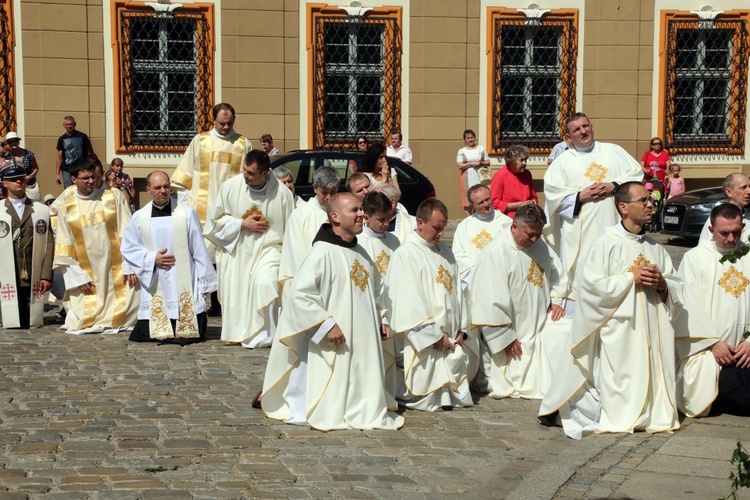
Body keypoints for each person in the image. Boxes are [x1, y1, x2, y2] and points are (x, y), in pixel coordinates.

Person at [539, 182, 681, 439]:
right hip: (620, 331)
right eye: (644, 200)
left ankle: (651, 412)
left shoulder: (655, 247)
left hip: (651, 329)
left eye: (651, 200)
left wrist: (663, 285)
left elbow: (677, 289)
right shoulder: (606, 243)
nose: (651, 205)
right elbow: (590, 289)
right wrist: (629, 280)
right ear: (623, 207)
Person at [262, 192, 404, 430]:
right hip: (335, 339)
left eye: (361, 209)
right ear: (335, 217)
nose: (361, 214)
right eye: (355, 211)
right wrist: (326, 324)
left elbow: (378, 292)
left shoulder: (361, 253)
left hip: (364, 340)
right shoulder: (321, 254)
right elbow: (300, 296)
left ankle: (361, 405)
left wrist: (382, 317)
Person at [470, 204, 568, 400]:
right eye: (529, 234)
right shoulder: (495, 252)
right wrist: (504, 337)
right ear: (514, 226)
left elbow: (557, 272)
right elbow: (488, 299)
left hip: (539, 324)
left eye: (538, 234)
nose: (534, 239)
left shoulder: (540, 245)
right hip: (513, 333)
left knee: (567, 330)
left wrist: (557, 299)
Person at [387, 198, 472, 411]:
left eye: (443, 228)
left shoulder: (446, 251)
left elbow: (457, 294)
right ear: (420, 223)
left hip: (449, 338)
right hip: (425, 343)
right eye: (437, 228)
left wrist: (461, 328)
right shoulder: (405, 255)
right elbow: (407, 302)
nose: (441, 234)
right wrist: (433, 337)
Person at [543, 112, 643, 294]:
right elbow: (552, 199)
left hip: (614, 223)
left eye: (585, 126)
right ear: (569, 137)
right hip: (581, 232)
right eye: (577, 129)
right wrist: (580, 196)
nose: (583, 131)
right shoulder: (562, 162)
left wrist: (614, 185)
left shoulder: (613, 151)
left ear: (592, 127)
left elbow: (636, 175)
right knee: (586, 271)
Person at [204, 150, 295, 348]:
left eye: (251, 173)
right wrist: (240, 224)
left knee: (266, 283)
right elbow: (214, 222)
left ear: (265, 173)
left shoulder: (282, 194)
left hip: (270, 251)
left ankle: (265, 335)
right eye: (245, 170)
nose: (245, 175)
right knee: (237, 293)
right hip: (237, 251)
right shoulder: (230, 187)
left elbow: (291, 230)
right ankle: (240, 333)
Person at [120, 171, 217, 343]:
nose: (163, 190)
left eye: (166, 186)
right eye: (158, 187)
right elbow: (129, 247)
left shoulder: (187, 213)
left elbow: (199, 248)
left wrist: (204, 282)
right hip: (156, 276)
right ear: (148, 189)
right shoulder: (139, 217)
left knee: (189, 331)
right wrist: (151, 259)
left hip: (185, 276)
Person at [676, 203, 750, 417]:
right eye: (724, 233)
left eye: (736, 232)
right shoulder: (695, 258)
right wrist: (713, 343)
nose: (731, 239)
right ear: (711, 230)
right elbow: (687, 306)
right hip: (709, 355)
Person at [51, 157, 139, 334]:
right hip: (85, 270)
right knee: (82, 316)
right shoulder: (66, 205)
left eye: (93, 177)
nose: (91, 181)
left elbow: (128, 231)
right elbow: (64, 243)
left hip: (115, 265)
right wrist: (77, 276)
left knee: (129, 309)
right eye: (85, 178)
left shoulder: (112, 197)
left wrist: (129, 264)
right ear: (74, 179)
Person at [169, 103, 253, 254]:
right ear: (213, 119)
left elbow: (251, 177)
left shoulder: (243, 143)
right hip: (201, 207)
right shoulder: (200, 141)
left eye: (230, 123)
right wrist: (186, 203)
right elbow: (184, 175)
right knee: (201, 254)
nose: (226, 127)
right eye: (222, 123)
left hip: (231, 208)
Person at [451, 184, 512, 389]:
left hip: (500, 287)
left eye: (488, 199)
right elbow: (459, 257)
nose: (487, 204)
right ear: (471, 205)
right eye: (481, 202)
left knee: (496, 332)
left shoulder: (506, 223)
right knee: (476, 335)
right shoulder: (464, 227)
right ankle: (477, 377)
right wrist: (479, 275)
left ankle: (497, 378)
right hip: (474, 289)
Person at [358, 191, 405, 402]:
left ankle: (391, 393)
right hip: (372, 309)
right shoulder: (359, 243)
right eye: (381, 219)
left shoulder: (395, 241)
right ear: (366, 217)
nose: (386, 224)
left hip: (394, 306)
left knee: (392, 355)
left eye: (389, 219)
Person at [0, 163, 54, 328]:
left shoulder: (41, 210)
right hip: (7, 273)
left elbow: (50, 244)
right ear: (4, 183)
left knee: (29, 319)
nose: (18, 182)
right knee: (9, 319)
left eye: (21, 178)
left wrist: (46, 275)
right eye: (13, 179)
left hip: (32, 272)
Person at [279, 166, 339, 289]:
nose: (328, 197)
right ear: (315, 188)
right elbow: (296, 256)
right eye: (324, 192)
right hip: (311, 282)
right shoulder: (300, 215)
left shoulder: (345, 212)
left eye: (333, 192)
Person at [490, 144, 538, 218]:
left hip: (528, 217)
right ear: (512, 161)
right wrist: (519, 205)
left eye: (525, 160)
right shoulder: (500, 175)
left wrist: (532, 203)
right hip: (508, 219)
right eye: (521, 160)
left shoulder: (527, 174)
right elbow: (494, 203)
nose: (524, 163)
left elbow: (534, 197)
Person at [699, 173, 750, 241]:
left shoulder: (748, 216)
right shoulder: (718, 217)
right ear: (729, 192)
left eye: (749, 187)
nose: (749, 191)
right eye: (743, 187)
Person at [457, 129, 491, 216]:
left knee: (481, 197)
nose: (470, 140)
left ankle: (482, 216)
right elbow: (460, 165)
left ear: (475, 138)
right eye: (468, 138)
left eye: (472, 137)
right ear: (465, 139)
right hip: (467, 179)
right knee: (467, 201)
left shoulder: (481, 148)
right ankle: (469, 219)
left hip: (480, 178)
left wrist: (481, 163)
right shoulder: (462, 151)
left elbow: (488, 162)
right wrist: (471, 164)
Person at [56, 116, 94, 188]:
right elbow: (59, 158)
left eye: (71, 124)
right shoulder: (62, 139)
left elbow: (90, 153)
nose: (69, 126)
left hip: (81, 168)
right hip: (67, 169)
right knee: (69, 190)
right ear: (64, 125)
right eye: (67, 124)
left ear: (75, 124)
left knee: (81, 187)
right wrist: (57, 174)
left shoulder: (83, 136)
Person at [5, 132, 41, 202]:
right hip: (16, 186)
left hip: (30, 185)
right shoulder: (7, 157)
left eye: (15, 141)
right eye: (10, 142)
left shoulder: (28, 153)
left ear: (18, 142)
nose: (13, 143)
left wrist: (29, 177)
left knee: (33, 205)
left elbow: (36, 168)